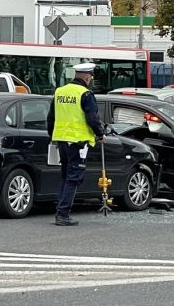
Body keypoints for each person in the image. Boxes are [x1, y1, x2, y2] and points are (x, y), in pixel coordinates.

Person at [47, 62, 104, 226]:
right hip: (78, 142)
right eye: (91, 77)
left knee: (65, 176)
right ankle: (63, 215)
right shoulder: (85, 94)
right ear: (87, 76)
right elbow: (92, 118)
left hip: (62, 141)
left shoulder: (60, 92)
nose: (91, 80)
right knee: (73, 178)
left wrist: (52, 136)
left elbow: (51, 118)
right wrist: (100, 134)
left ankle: (60, 212)